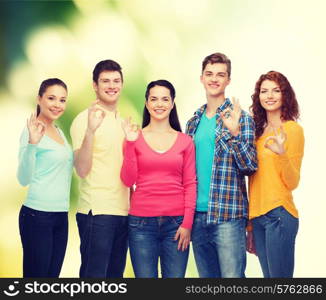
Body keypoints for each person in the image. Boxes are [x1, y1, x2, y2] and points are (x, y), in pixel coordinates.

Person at [185, 52, 257, 278]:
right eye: (209, 74)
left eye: (220, 75)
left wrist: (234, 133)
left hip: (228, 215)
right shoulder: (193, 121)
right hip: (197, 216)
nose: (214, 79)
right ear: (201, 78)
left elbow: (250, 165)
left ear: (228, 80)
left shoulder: (241, 117)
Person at [120, 79, 196, 278]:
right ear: (146, 103)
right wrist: (129, 143)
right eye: (154, 99)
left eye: (165, 99)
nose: (159, 104)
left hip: (177, 224)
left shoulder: (185, 141)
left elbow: (190, 184)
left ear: (172, 103)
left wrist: (187, 223)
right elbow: (128, 180)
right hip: (141, 224)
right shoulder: (134, 138)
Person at [70, 60, 129, 278]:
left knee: (115, 281)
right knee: (93, 280)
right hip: (97, 212)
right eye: (105, 81)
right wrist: (90, 131)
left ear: (122, 84)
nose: (111, 86)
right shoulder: (84, 121)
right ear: (95, 85)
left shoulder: (123, 123)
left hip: (123, 212)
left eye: (116, 81)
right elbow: (82, 170)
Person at [247, 71, 304, 278]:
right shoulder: (257, 133)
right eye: (264, 91)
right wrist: (251, 225)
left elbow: (292, 181)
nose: (269, 96)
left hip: (279, 215)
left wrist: (281, 154)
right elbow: (253, 180)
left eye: (276, 90)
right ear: (258, 96)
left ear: (284, 95)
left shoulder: (292, 130)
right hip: (258, 218)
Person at [17, 78, 73, 277]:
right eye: (51, 98)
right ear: (39, 99)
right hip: (37, 216)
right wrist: (32, 143)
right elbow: (23, 178)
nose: (57, 104)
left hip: (60, 215)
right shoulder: (32, 130)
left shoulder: (59, 131)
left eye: (62, 100)